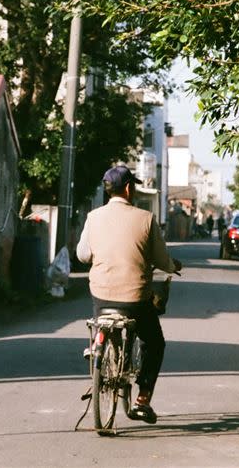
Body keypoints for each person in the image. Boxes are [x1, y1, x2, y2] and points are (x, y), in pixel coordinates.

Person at [77, 165, 182, 425]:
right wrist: (174, 266)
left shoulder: (93, 217)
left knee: (101, 308)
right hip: (135, 298)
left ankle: (97, 347)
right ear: (128, 188)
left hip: (101, 296)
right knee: (155, 342)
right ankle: (142, 400)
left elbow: (82, 255)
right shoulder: (145, 219)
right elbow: (161, 260)